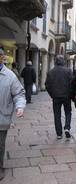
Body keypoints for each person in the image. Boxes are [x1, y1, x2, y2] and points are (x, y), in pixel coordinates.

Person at [0, 48, 26, 180]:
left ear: (1, 58)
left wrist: (20, 106)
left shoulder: (10, 76)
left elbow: (19, 93)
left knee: (0, 144)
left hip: (2, 116)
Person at [45, 55, 73, 139]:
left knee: (57, 114)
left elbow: (47, 85)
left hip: (56, 97)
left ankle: (59, 133)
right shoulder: (68, 71)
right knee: (68, 112)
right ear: (63, 61)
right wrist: (70, 94)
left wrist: (52, 94)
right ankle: (67, 127)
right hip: (66, 96)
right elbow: (72, 83)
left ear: (55, 61)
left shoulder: (51, 72)